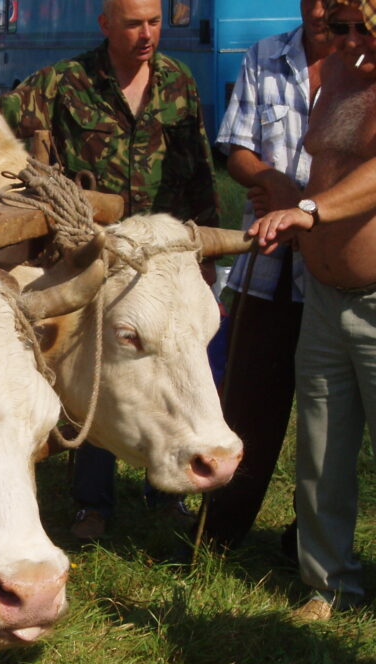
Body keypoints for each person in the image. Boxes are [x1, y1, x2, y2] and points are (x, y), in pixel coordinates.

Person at [0, 0, 219, 540]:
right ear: (105, 26)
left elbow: (198, 165)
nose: (147, 35)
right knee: (99, 369)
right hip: (98, 257)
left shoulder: (178, 81)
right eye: (133, 24)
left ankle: (164, 489)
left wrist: (208, 253)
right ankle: (92, 503)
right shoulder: (63, 82)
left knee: (166, 364)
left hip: (162, 261)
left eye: (154, 23)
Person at [249, 0, 376, 620]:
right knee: (321, 451)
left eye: (366, 27)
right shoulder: (341, 74)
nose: (352, 39)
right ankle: (328, 587)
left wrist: (313, 212)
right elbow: (325, 165)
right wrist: (292, 208)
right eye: (344, 26)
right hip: (325, 297)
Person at [207, 0, 333, 549]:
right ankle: (219, 531)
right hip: (267, 263)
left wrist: (310, 206)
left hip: (334, 268)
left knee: (328, 415)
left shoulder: (363, 66)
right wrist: (273, 182)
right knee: (247, 402)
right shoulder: (264, 56)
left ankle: (309, 539)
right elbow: (234, 146)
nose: (324, 10)